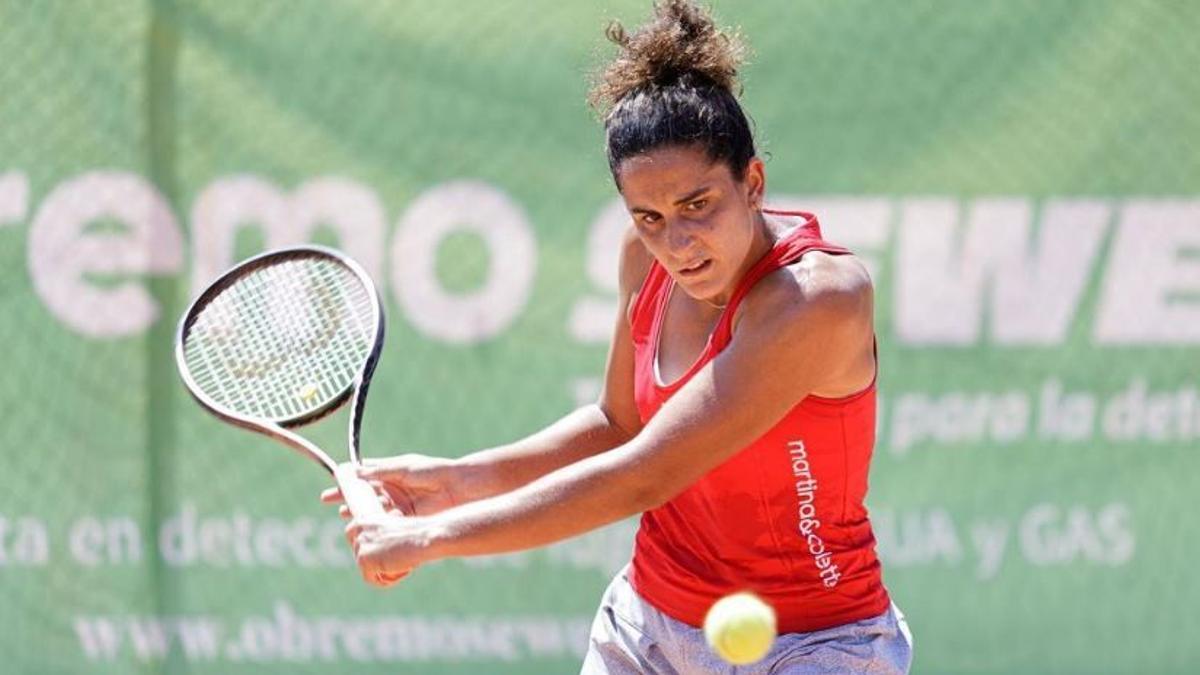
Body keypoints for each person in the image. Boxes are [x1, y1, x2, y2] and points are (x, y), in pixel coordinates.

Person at [323, 1, 912, 672]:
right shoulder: (644, 258)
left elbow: (646, 473)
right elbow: (616, 424)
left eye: (698, 205)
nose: (678, 241)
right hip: (647, 628)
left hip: (815, 644)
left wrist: (430, 535)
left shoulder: (818, 300)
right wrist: (455, 482)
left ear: (753, 182)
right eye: (650, 216)